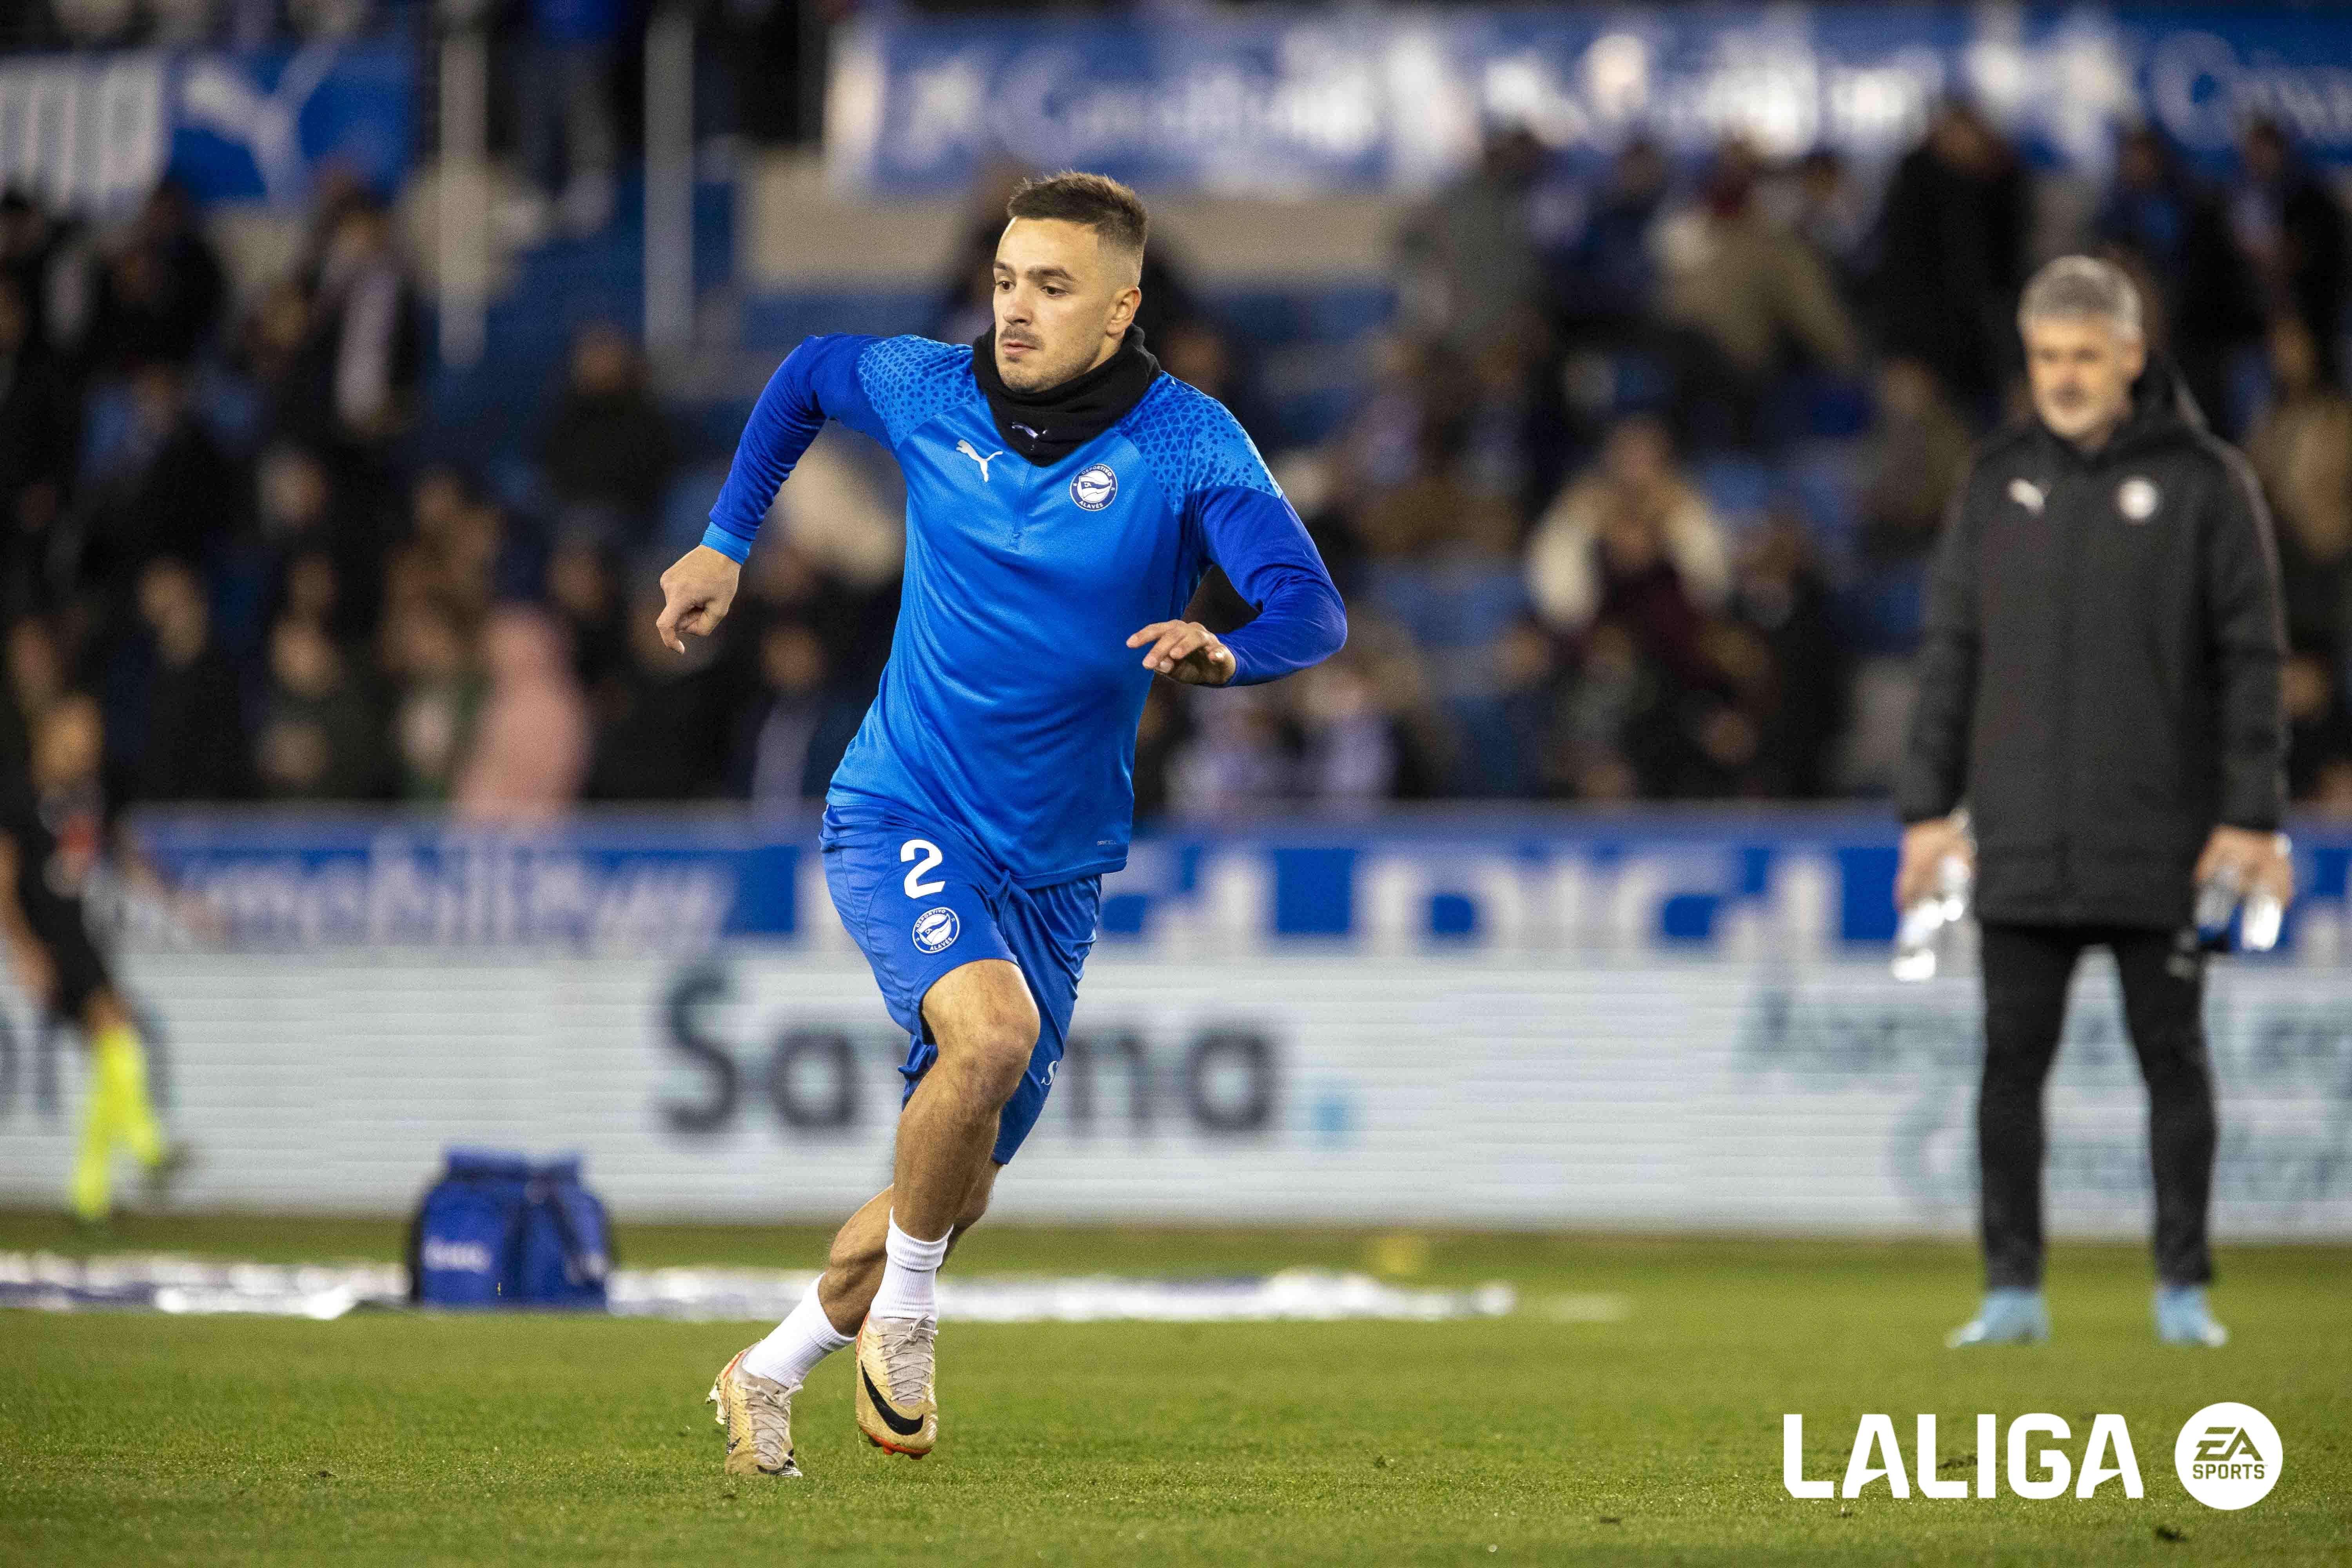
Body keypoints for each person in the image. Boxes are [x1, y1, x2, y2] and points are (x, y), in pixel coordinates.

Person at [656, 171, 1346, 1477]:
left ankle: (770, 1367)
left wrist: (1229, 652)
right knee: (992, 1037)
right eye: (1006, 279)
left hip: (1059, 865)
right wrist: (725, 541)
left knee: (952, 1186)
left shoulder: (1192, 444)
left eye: (1053, 287)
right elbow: (807, 372)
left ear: (1120, 306)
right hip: (904, 804)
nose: (1016, 309)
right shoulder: (929, 391)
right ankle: (910, 1321)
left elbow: (1311, 608)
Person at [1896, 257, 2288, 1350]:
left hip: (2162, 837)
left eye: (2084, 356)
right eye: (2047, 358)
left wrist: (2251, 816)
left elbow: (2252, 661)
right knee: (2009, 1066)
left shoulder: (2209, 483)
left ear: (2130, 354)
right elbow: (1950, 656)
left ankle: (2182, 1293)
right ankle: (2011, 1293)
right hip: (2020, 837)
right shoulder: (1995, 480)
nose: (2064, 377)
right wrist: (1927, 812)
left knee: (2175, 1061)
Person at [0, 694, 180, 1224]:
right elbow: (4, 883)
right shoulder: (17, 796)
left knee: (111, 1052)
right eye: (78, 735)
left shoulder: (88, 795)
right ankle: (149, 1149)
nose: (88, 747)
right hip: (53, 943)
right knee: (116, 1032)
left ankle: (89, 1195)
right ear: (49, 735)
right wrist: (27, 952)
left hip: (83, 935)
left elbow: (122, 854)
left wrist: (177, 902)